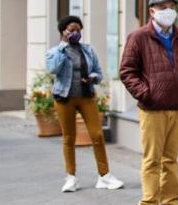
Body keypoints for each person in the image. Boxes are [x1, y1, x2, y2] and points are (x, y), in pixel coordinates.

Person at [120, 0, 178, 205]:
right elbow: (127, 71)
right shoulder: (138, 37)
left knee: (171, 159)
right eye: (163, 7)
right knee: (152, 158)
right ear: (152, 11)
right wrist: (146, 93)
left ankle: (171, 203)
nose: (168, 11)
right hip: (153, 108)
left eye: (172, 7)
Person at [45, 15, 123, 193]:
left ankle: (104, 176)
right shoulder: (54, 52)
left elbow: (98, 73)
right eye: (72, 30)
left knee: (97, 135)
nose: (76, 33)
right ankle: (71, 177)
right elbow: (53, 69)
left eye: (78, 30)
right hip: (64, 98)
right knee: (69, 138)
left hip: (86, 96)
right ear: (63, 32)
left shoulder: (87, 50)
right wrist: (63, 47)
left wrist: (92, 78)